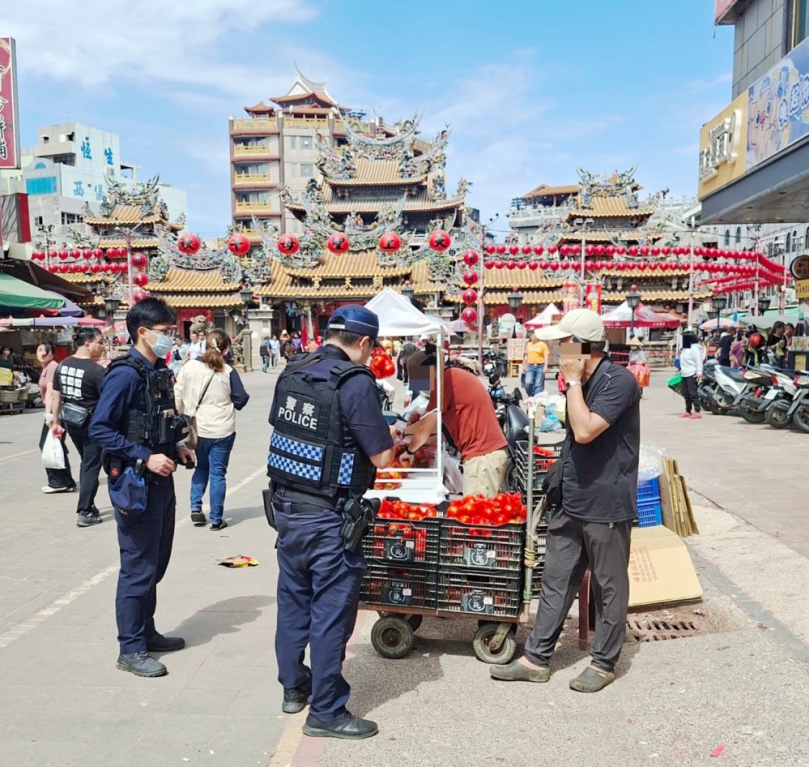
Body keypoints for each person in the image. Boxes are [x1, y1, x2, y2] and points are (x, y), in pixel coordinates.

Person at [490, 309, 641, 693]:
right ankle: (536, 658)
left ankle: (604, 663)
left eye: (564, 344)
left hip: (606, 503)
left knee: (609, 587)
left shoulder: (617, 381)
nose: (557, 350)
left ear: (584, 347)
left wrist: (572, 384)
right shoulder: (579, 383)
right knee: (556, 580)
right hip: (572, 499)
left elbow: (587, 430)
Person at [268, 305, 395, 740]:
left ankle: (293, 688)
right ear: (364, 343)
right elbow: (381, 457)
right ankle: (326, 711)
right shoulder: (354, 382)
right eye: (373, 347)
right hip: (328, 519)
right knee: (329, 615)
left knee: (292, 602)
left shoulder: (293, 371)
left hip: (286, 510)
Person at [89, 297, 195, 678]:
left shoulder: (158, 371)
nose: (171, 339)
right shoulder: (125, 374)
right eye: (166, 333)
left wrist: (177, 448)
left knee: (156, 563)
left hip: (161, 481)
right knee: (137, 567)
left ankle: (146, 632)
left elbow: (159, 421)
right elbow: (100, 428)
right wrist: (143, 456)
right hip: (135, 482)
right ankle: (129, 648)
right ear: (143, 333)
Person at [175, 330, 249, 530]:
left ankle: (196, 508)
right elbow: (241, 399)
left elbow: (177, 394)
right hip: (222, 429)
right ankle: (216, 519)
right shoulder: (227, 371)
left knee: (201, 466)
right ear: (225, 350)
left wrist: (180, 415)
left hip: (198, 428)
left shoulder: (190, 366)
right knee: (218, 473)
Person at [409, 358, 508, 497]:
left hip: (482, 457)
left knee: (476, 513)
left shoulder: (444, 382)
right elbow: (448, 432)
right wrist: (427, 441)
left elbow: (423, 430)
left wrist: (408, 450)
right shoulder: (453, 375)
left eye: (415, 377)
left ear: (426, 373)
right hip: (487, 453)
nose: (417, 385)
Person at [50, 328, 107, 526]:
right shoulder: (97, 371)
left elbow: (55, 396)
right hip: (92, 425)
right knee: (91, 466)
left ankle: (89, 505)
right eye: (100, 342)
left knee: (87, 462)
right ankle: (84, 510)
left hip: (71, 421)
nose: (102, 347)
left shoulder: (63, 365)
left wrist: (55, 421)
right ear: (87, 344)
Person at [38, 340, 76, 494]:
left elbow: (53, 394)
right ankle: (65, 480)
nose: (42, 353)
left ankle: (59, 481)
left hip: (54, 413)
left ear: (52, 353)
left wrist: (51, 417)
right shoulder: (47, 367)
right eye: (39, 350)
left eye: (45, 350)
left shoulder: (52, 367)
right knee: (56, 445)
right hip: (53, 413)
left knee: (48, 445)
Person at [678, 331, 703, 419]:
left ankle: (697, 410)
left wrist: (699, 372)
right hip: (684, 373)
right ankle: (688, 410)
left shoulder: (694, 348)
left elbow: (698, 361)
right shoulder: (684, 349)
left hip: (692, 373)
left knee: (693, 393)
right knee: (686, 394)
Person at [523, 332, 550, 396]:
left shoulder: (542, 344)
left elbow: (546, 356)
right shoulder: (529, 344)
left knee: (538, 384)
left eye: (533, 335)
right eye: (531, 336)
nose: (531, 337)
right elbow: (526, 356)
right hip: (530, 366)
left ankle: (536, 398)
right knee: (528, 382)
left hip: (539, 366)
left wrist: (545, 367)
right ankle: (530, 394)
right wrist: (524, 366)